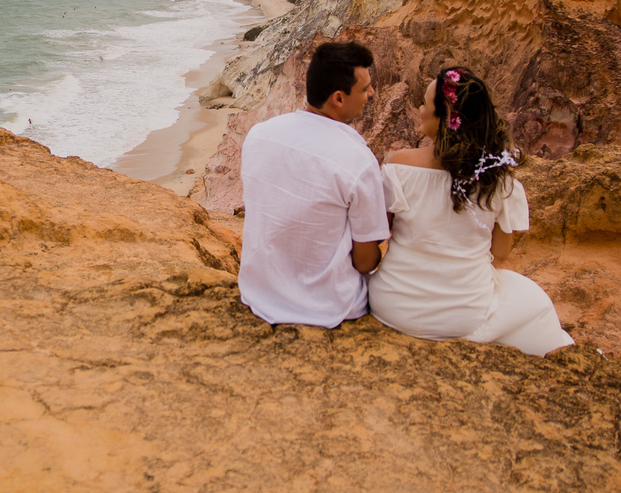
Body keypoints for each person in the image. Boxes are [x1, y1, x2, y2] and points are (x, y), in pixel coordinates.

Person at [368, 66, 574, 356]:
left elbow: (378, 233)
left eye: (425, 104)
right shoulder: (498, 180)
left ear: (444, 118)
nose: (420, 109)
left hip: (392, 305)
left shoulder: (399, 166)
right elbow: (500, 253)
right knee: (530, 298)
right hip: (462, 316)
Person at [238, 41, 390, 327]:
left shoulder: (260, 135)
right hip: (328, 307)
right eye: (364, 88)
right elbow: (364, 262)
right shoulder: (358, 160)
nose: (371, 93)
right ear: (338, 98)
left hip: (258, 294)